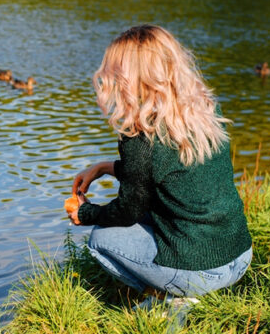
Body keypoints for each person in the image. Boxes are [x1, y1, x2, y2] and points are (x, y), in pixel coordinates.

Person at [68, 24, 252, 313]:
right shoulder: (202, 109)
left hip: (203, 271)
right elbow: (166, 171)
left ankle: (174, 296)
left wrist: (86, 213)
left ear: (129, 79)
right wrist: (106, 167)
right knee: (149, 212)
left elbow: (126, 210)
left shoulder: (141, 139)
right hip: (239, 255)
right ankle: (183, 289)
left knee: (100, 239)